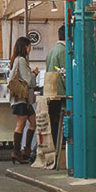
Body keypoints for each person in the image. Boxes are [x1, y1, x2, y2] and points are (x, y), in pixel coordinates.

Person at [39, 26, 67, 169]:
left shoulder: (51, 51)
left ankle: (54, 154)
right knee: (61, 125)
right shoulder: (64, 51)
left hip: (50, 94)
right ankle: (61, 153)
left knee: (54, 124)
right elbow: (66, 73)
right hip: (61, 94)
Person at [8, 36, 36, 164]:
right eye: (29, 46)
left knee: (32, 122)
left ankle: (26, 150)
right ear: (24, 47)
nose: (30, 48)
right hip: (22, 99)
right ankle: (17, 152)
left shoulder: (16, 60)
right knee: (21, 125)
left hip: (24, 100)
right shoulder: (22, 61)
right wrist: (34, 73)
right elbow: (28, 81)